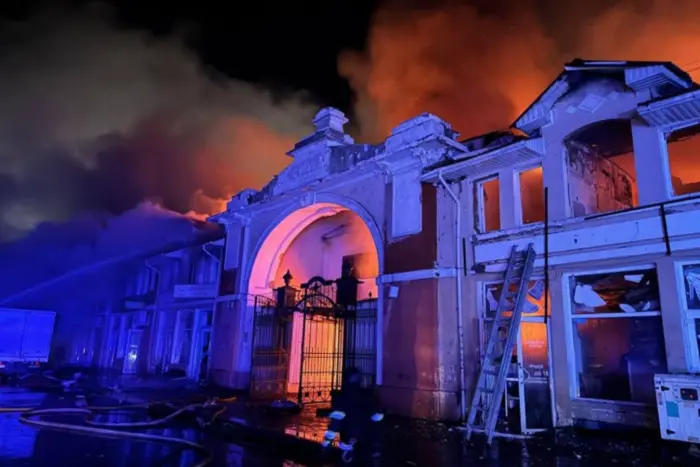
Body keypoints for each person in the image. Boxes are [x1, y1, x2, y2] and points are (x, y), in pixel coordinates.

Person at [322, 367, 383, 464]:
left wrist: (327, 442)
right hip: (366, 440)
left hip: (348, 441)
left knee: (347, 462)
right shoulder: (368, 395)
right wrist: (376, 444)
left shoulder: (342, 397)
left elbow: (336, 422)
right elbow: (377, 419)